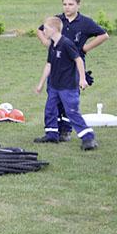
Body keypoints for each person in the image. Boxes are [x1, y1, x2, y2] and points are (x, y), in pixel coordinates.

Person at [36, 0, 108, 140]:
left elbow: (103, 35)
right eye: (64, 4)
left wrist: (86, 48)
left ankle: (66, 130)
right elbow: (40, 30)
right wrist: (46, 42)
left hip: (74, 66)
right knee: (53, 98)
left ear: (78, 5)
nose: (67, 7)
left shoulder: (85, 22)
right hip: (56, 65)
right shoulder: (56, 20)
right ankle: (53, 131)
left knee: (68, 100)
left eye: (70, 4)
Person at [32, 16, 97, 150]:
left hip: (68, 87)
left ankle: (88, 138)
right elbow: (49, 65)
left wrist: (82, 78)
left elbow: (78, 60)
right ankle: (51, 135)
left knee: (72, 112)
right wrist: (40, 84)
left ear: (54, 29)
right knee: (50, 109)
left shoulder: (66, 44)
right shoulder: (52, 45)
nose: (43, 31)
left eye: (46, 28)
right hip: (54, 86)